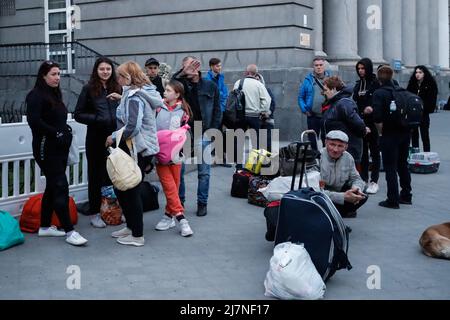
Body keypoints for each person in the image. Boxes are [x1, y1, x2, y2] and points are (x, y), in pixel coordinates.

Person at [26, 60, 88, 246]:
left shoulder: (54, 94)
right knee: (60, 186)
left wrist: (64, 130)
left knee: (52, 188)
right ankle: (69, 231)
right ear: (43, 76)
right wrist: (56, 133)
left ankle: (45, 227)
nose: (57, 78)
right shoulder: (35, 96)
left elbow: (56, 119)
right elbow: (34, 122)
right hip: (46, 148)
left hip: (60, 149)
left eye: (59, 74)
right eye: (53, 74)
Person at [106, 61, 163, 246]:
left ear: (129, 77)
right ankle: (131, 227)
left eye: (121, 76)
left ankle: (137, 235)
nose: (118, 78)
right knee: (126, 190)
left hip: (135, 149)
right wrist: (121, 97)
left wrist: (113, 138)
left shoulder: (134, 97)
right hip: (137, 148)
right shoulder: (135, 93)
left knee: (130, 191)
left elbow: (132, 125)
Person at [74, 57, 122, 228]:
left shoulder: (117, 87)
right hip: (95, 138)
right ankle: (95, 212)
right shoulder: (88, 89)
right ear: (96, 70)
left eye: (108, 69)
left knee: (113, 175)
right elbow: (78, 114)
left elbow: (124, 111)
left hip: (114, 137)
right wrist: (97, 119)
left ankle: (111, 209)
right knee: (95, 176)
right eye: (102, 69)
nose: (105, 72)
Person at [172, 56, 222, 217]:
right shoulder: (181, 85)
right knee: (180, 170)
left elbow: (217, 109)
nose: (190, 69)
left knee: (204, 172)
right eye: (186, 67)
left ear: (198, 66)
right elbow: (171, 85)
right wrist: (182, 73)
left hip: (204, 131)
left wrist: (214, 130)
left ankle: (202, 203)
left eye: (192, 65)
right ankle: (180, 202)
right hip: (184, 132)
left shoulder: (210, 85)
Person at [154, 79, 194, 237]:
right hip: (160, 155)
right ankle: (182, 220)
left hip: (177, 155)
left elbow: (185, 133)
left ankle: (168, 215)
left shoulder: (184, 110)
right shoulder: (157, 107)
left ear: (177, 94)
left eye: (169, 90)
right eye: (165, 90)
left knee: (174, 187)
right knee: (169, 186)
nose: (165, 92)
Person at [373, 65, 412, 209]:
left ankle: (392, 199)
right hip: (405, 132)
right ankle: (406, 195)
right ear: (392, 77)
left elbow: (377, 117)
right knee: (403, 164)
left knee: (390, 166)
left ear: (379, 78)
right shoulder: (401, 91)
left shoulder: (379, 93)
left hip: (389, 134)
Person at [320, 131, 367, 218]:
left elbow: (356, 178)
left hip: (340, 192)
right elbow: (315, 191)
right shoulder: (318, 157)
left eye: (340, 146)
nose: (335, 150)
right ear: (326, 143)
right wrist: (343, 197)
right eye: (332, 144)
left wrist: (356, 189)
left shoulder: (348, 157)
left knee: (363, 192)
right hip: (323, 196)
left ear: (346, 147)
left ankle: (341, 216)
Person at [321, 76, 366, 165]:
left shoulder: (343, 103)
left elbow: (358, 124)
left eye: (326, 90)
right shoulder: (335, 102)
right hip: (337, 152)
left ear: (333, 89)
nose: (323, 93)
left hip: (345, 153)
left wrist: (363, 131)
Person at [233, 64, 271, 166]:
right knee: (256, 142)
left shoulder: (238, 82)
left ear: (247, 72)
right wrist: (262, 110)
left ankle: (238, 166)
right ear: (256, 73)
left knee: (239, 141)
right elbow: (267, 101)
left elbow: (233, 98)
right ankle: (252, 166)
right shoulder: (259, 84)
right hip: (254, 116)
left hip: (240, 116)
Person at [352, 58, 381, 194]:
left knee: (374, 151)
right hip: (360, 122)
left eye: (363, 68)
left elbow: (380, 101)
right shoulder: (358, 85)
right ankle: (363, 178)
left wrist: (372, 108)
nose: (361, 71)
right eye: (359, 69)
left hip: (373, 122)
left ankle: (374, 181)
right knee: (362, 152)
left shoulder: (375, 83)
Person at [298, 57, 330, 149]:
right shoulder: (307, 80)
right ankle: (315, 158)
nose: (318, 67)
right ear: (313, 67)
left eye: (321, 65)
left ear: (324, 66)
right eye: (316, 65)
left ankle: (326, 157)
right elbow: (301, 97)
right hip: (312, 115)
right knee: (312, 139)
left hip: (327, 115)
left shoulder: (330, 79)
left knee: (327, 138)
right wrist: (305, 109)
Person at [204, 58, 231, 167]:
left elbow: (224, 93)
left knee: (221, 132)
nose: (219, 68)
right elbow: (213, 94)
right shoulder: (207, 79)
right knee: (215, 133)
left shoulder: (220, 77)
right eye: (217, 66)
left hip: (221, 109)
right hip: (213, 110)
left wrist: (222, 103)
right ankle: (214, 157)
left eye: (220, 66)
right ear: (211, 66)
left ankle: (219, 158)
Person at [407, 65, 438, 152]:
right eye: (416, 72)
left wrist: (424, 108)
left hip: (423, 114)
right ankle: (415, 153)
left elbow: (432, 100)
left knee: (425, 135)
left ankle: (427, 153)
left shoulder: (430, 84)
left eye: (420, 72)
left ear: (424, 74)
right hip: (413, 114)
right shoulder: (412, 84)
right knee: (414, 135)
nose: (417, 74)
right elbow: (407, 96)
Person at [256, 72, 276, 152]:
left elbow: (273, 103)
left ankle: (267, 161)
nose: (257, 81)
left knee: (267, 140)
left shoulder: (267, 90)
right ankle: (258, 161)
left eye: (258, 79)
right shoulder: (252, 92)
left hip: (268, 119)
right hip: (256, 119)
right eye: (255, 79)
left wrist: (268, 113)